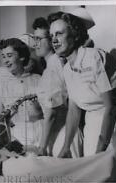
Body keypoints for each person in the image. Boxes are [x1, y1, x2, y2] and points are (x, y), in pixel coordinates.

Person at [47, 8, 116, 157]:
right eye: (51, 35)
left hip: (113, 125)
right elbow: (74, 109)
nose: (53, 40)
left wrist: (101, 148)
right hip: (91, 126)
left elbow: (111, 107)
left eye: (59, 33)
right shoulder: (67, 69)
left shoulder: (93, 57)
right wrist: (66, 147)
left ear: (75, 34)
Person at [32, 17, 80, 157]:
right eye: (34, 39)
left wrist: (42, 147)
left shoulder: (54, 66)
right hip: (58, 132)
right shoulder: (54, 65)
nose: (35, 44)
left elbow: (51, 113)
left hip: (62, 134)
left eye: (39, 39)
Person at [0, 38, 43, 154]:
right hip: (17, 140)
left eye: (9, 55)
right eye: (3, 56)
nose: (5, 61)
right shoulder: (1, 85)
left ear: (22, 57)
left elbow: (48, 113)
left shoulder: (38, 80)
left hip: (40, 136)